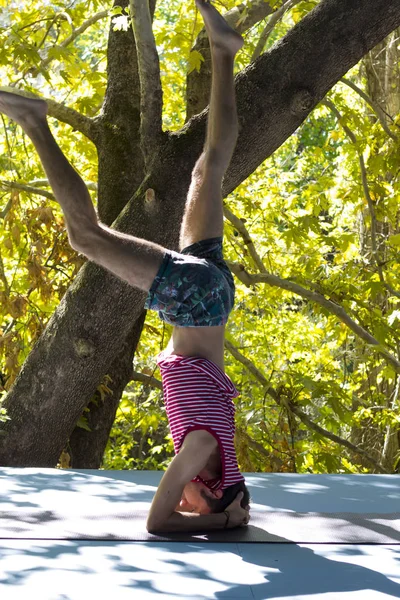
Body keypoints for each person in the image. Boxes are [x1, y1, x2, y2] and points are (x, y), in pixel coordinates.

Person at [0, 0, 250, 532]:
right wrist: (223, 524)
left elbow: (181, 507)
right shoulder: (205, 452)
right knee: (86, 237)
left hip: (212, 299)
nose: (183, 501)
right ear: (213, 495)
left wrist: (225, 513)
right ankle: (34, 120)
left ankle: (224, 53)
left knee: (209, 167)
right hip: (196, 301)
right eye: (194, 505)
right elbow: (158, 523)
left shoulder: (215, 457)